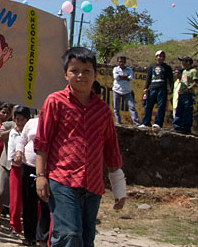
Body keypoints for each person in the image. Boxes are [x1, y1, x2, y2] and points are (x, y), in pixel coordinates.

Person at [34, 47, 126, 247]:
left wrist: (119, 187)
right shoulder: (54, 102)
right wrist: (40, 177)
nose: (80, 76)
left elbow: (111, 149)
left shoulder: (103, 111)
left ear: (95, 74)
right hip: (62, 180)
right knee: (69, 234)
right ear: (65, 74)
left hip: (93, 185)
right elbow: (42, 143)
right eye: (74, 70)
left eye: (86, 71)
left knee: (86, 239)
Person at [18, 111, 49, 246]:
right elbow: (22, 139)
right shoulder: (31, 123)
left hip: (46, 170)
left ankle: (42, 236)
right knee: (28, 202)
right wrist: (19, 152)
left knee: (45, 204)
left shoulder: (52, 123)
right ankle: (29, 236)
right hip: (28, 166)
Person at [7, 105, 31, 235]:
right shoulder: (13, 133)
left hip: (28, 167)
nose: (19, 122)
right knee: (15, 198)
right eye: (17, 119)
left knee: (29, 199)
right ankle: (15, 226)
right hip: (16, 168)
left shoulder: (32, 132)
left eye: (22, 120)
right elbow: (11, 153)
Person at [140, 50, 173, 129]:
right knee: (148, 105)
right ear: (156, 57)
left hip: (162, 88)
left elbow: (170, 79)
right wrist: (146, 88)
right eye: (159, 56)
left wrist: (171, 88)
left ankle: (158, 123)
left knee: (161, 106)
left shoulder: (167, 67)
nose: (161, 58)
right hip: (153, 88)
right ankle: (146, 122)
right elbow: (148, 78)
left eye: (163, 56)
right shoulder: (151, 67)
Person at [111, 56, 141, 126]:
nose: (121, 63)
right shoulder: (115, 69)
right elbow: (116, 77)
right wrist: (125, 76)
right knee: (116, 108)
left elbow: (130, 78)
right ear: (118, 62)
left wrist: (121, 76)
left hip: (127, 91)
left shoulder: (129, 69)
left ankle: (136, 123)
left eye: (122, 62)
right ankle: (118, 122)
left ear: (125, 62)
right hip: (116, 90)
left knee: (132, 107)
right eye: (119, 62)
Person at [173, 56, 198, 134]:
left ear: (187, 62)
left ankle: (186, 128)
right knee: (179, 110)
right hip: (182, 94)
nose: (182, 63)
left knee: (187, 111)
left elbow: (195, 82)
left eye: (183, 61)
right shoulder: (184, 71)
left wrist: (189, 88)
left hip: (188, 94)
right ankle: (177, 127)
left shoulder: (193, 71)